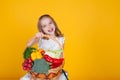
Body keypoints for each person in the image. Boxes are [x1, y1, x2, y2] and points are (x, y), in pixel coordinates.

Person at [20, 14, 68, 80]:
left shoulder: (61, 39)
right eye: (44, 26)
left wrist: (56, 67)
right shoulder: (41, 38)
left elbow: (61, 54)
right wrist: (35, 37)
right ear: (41, 29)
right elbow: (28, 45)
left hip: (53, 70)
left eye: (50, 23)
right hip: (39, 70)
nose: (49, 26)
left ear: (54, 23)